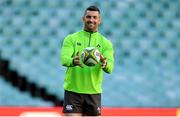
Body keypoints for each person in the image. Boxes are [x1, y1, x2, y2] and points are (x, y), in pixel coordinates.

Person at [60, 5, 114, 116]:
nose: (91, 20)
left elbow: (110, 67)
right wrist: (73, 61)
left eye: (95, 17)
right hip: (73, 92)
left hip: (93, 93)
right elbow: (64, 59)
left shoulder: (106, 43)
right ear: (83, 18)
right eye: (88, 17)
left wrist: (105, 64)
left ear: (99, 20)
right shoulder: (71, 39)